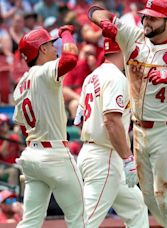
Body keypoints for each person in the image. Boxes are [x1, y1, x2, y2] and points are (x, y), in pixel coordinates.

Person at [88, 1, 167, 227]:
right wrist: (105, 22)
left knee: (166, 199)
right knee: (149, 198)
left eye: (153, 18)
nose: (146, 21)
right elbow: (95, 11)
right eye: (145, 16)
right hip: (139, 129)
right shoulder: (133, 36)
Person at [12, 26, 86, 227]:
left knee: (31, 221)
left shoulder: (20, 85)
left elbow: (23, 128)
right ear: (42, 49)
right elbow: (70, 59)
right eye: (52, 44)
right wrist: (65, 33)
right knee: (79, 217)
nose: (56, 48)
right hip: (54, 154)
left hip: (32, 156)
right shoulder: (43, 72)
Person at [76, 38, 149, 228]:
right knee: (86, 221)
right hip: (104, 156)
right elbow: (111, 120)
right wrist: (127, 159)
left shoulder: (92, 76)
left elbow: (79, 121)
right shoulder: (116, 77)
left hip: (96, 152)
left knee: (137, 206)